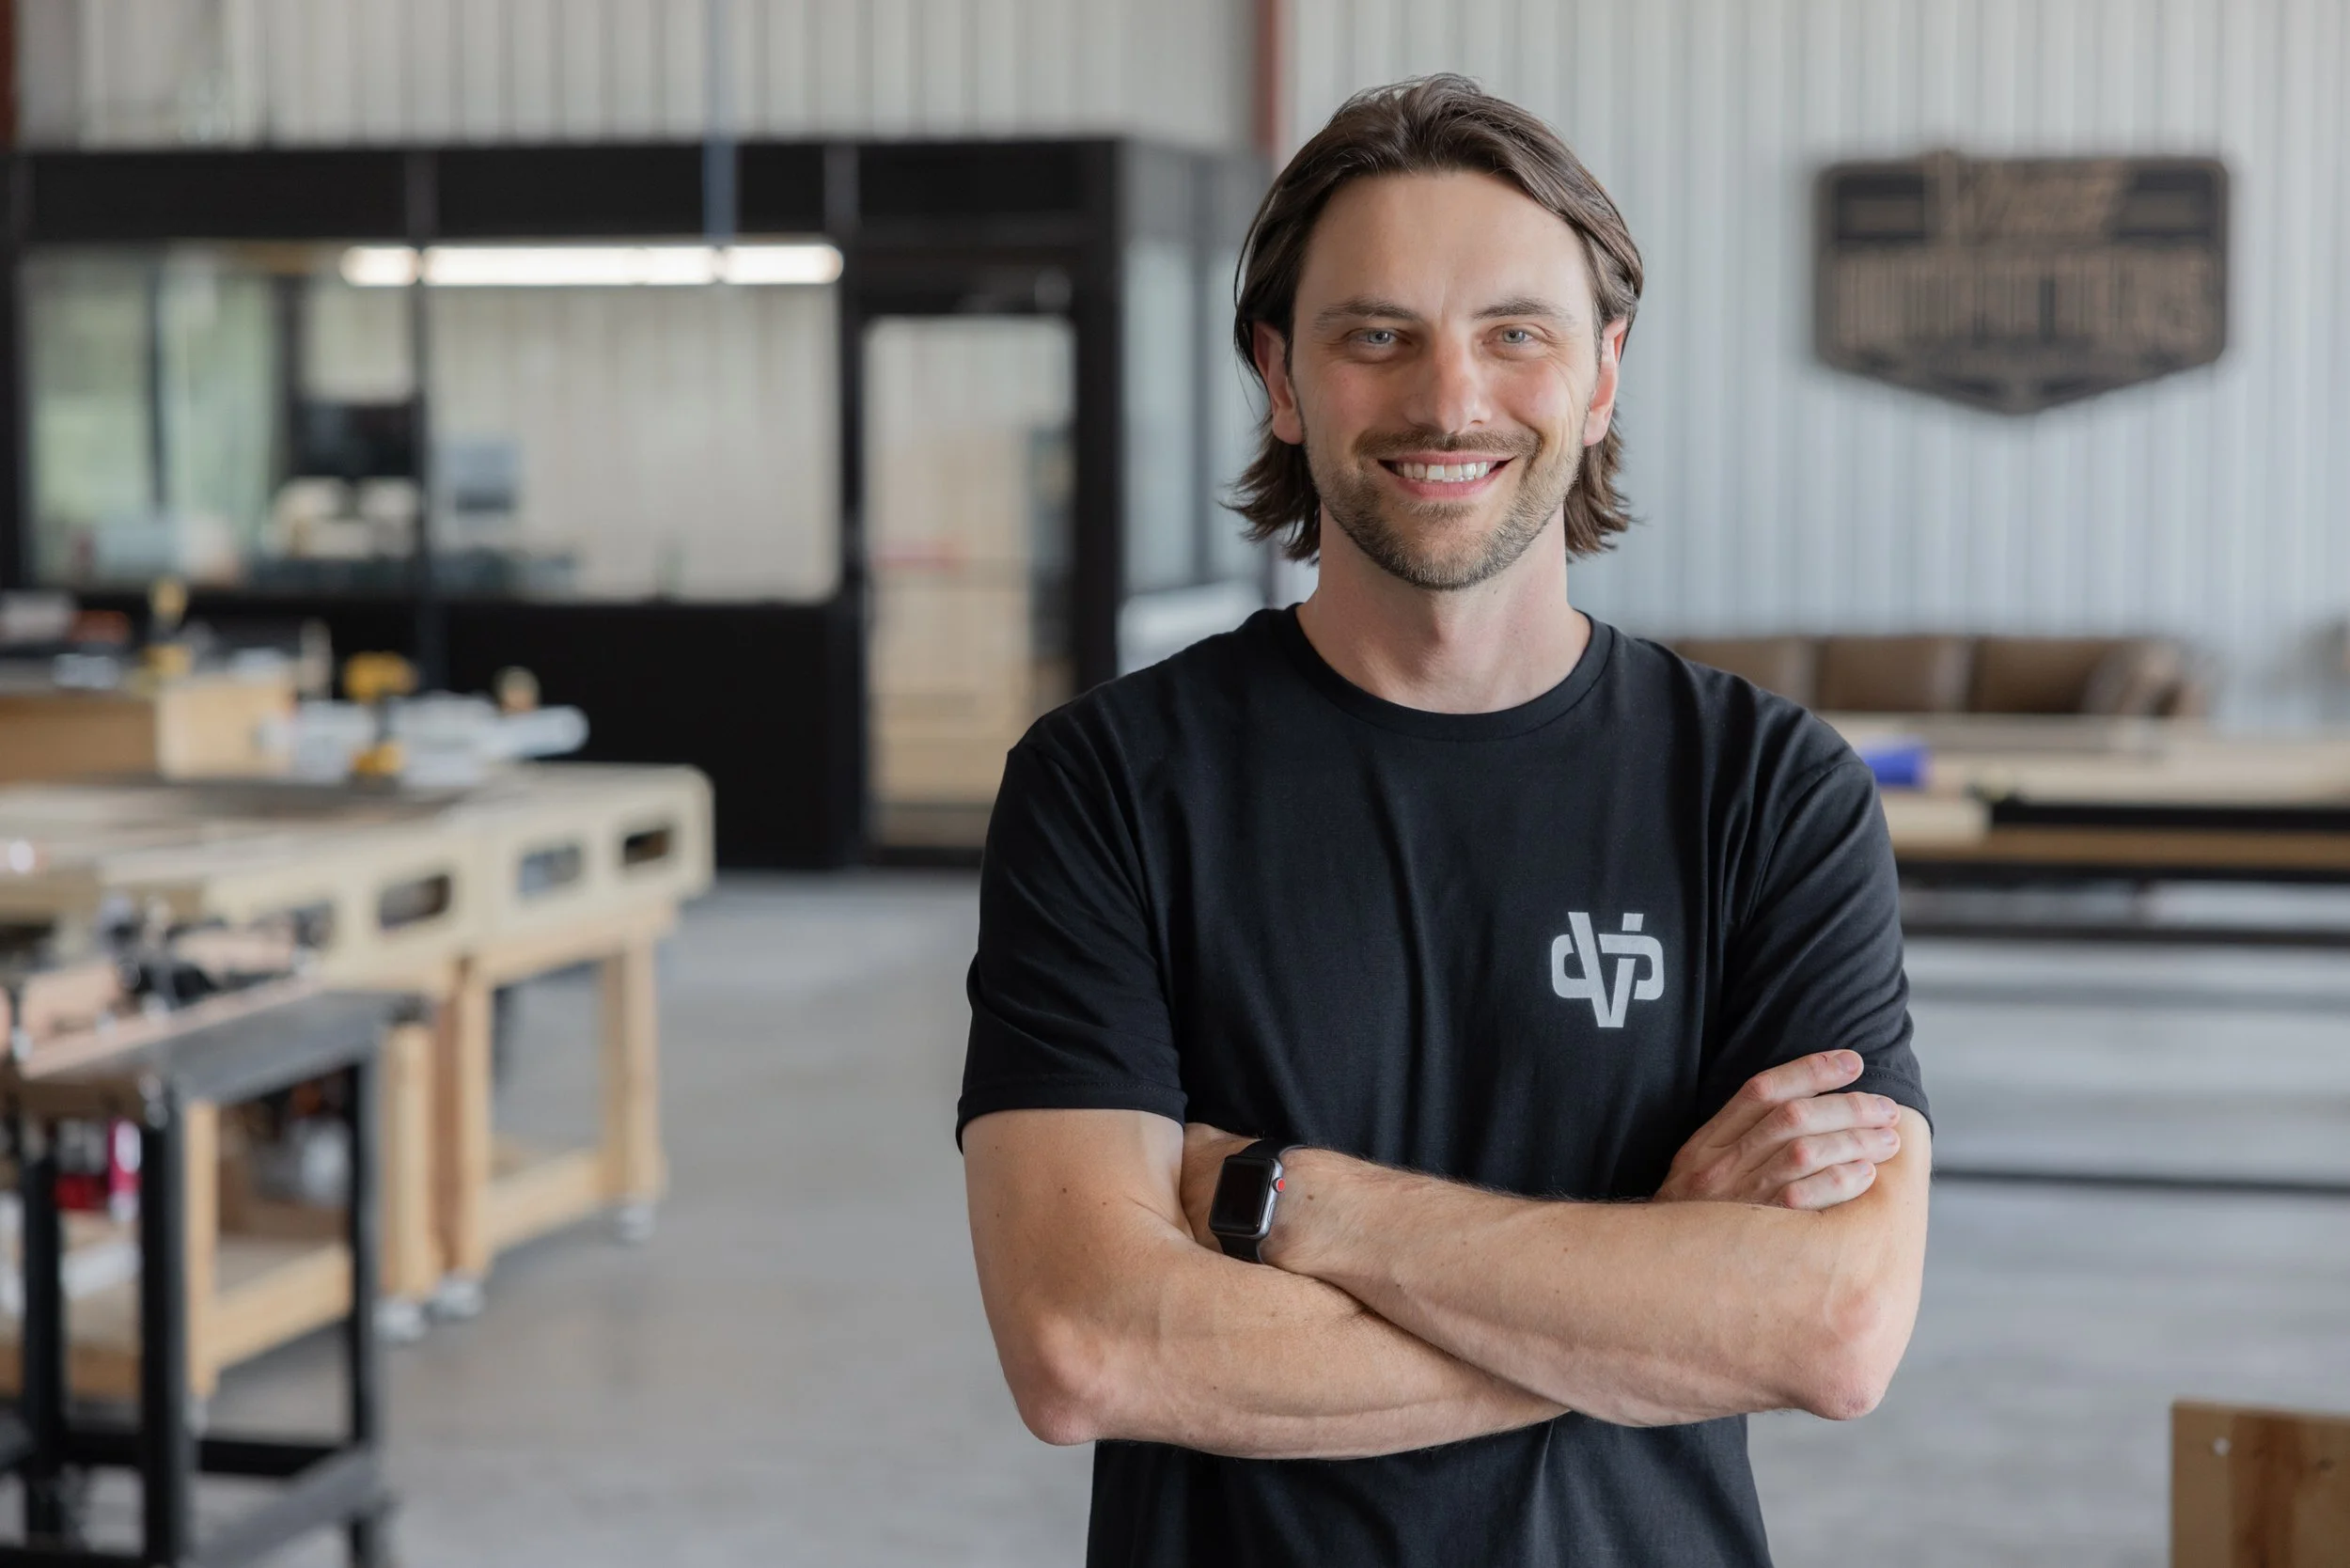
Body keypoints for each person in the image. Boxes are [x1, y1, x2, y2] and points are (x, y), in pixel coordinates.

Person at [957, 74, 1931, 1567]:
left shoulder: (1770, 792)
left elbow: (1837, 1328)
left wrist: (1297, 1204)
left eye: (1514, 334)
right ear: (1282, 378)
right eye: (1377, 335)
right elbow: (1092, 1345)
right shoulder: (1106, 785)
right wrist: (1650, 1296)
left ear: (1604, 375)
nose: (1450, 398)